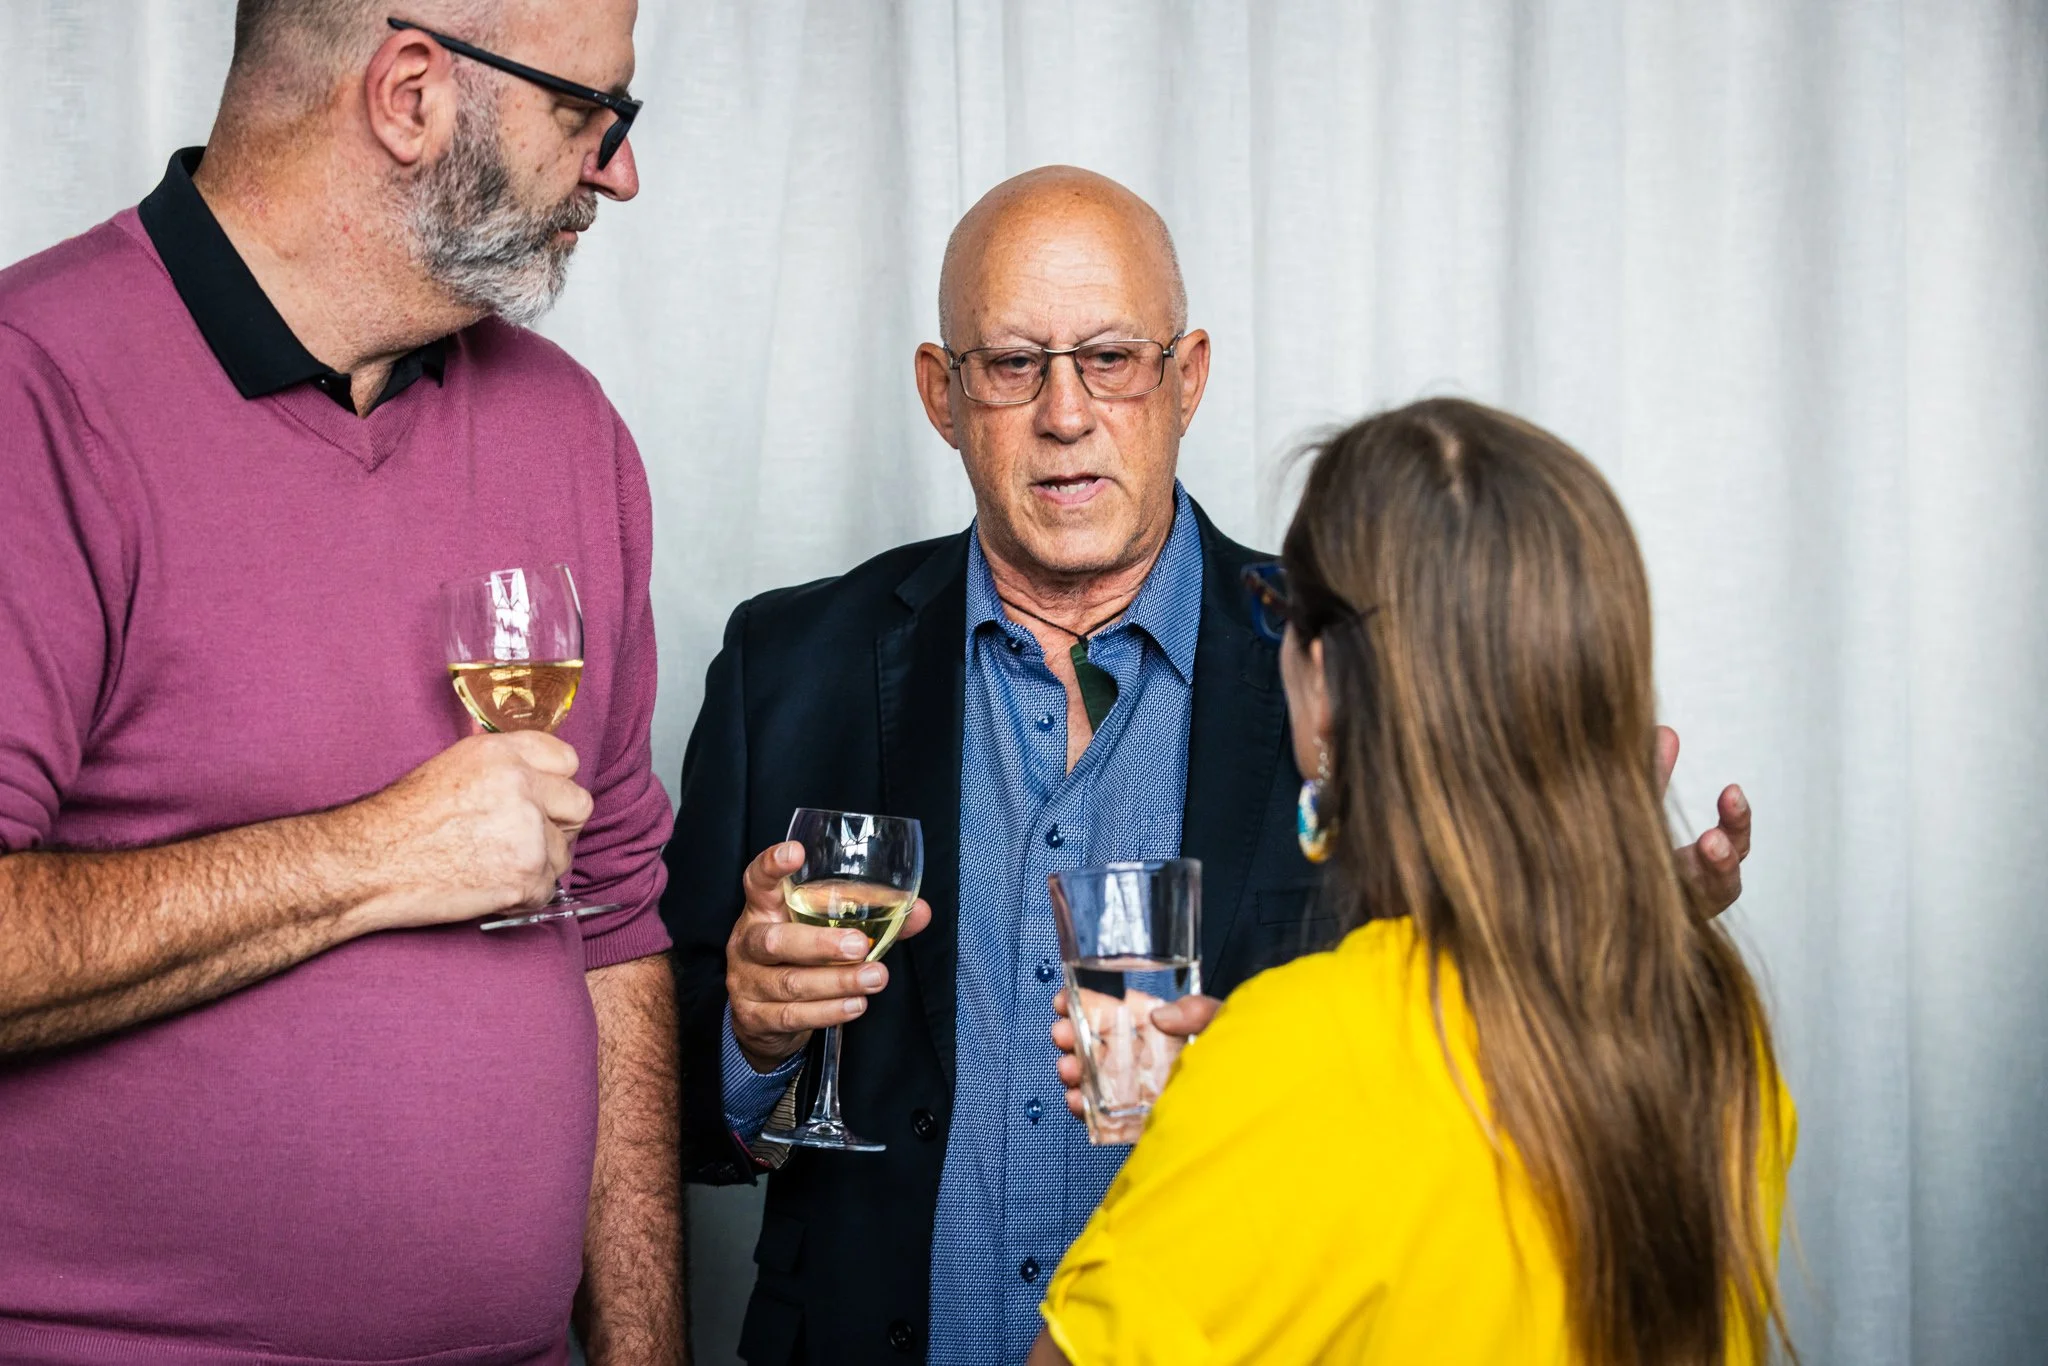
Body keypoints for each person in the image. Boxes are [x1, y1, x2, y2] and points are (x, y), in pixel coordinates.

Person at [664, 168, 1756, 1366]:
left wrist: (1598, 910)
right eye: (1013, 364)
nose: (1064, 413)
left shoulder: (1346, 666)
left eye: (1112, 359)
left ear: (1186, 378)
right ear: (942, 392)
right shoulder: (786, 663)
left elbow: (1461, 1049)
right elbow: (643, 1101)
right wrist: (750, 1045)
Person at [0, 3, 680, 1362]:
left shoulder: (571, 432)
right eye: (585, 114)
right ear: (412, 96)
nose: (618, 171)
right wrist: (373, 856)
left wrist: (647, 1346)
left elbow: (615, 925)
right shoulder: (36, 392)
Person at [1030, 398, 1795, 1365]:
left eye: (1283, 612)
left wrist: (1250, 1098)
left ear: (1330, 684)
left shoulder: (1297, 1057)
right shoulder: (1720, 1033)